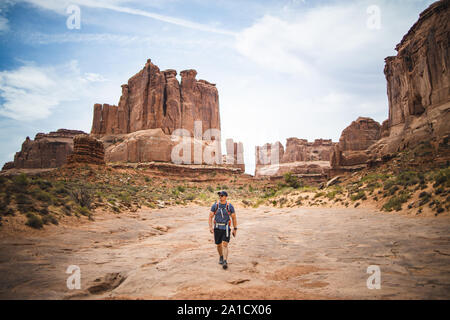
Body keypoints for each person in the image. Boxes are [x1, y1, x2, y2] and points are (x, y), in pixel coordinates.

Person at [209, 190, 237, 270]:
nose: (220, 197)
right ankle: (221, 256)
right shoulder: (215, 206)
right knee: (218, 244)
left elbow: (234, 218)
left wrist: (235, 229)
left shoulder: (229, 206)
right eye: (219, 196)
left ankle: (225, 261)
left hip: (226, 228)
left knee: (225, 244)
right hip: (217, 228)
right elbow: (210, 216)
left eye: (222, 195)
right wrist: (210, 227)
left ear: (226, 197)